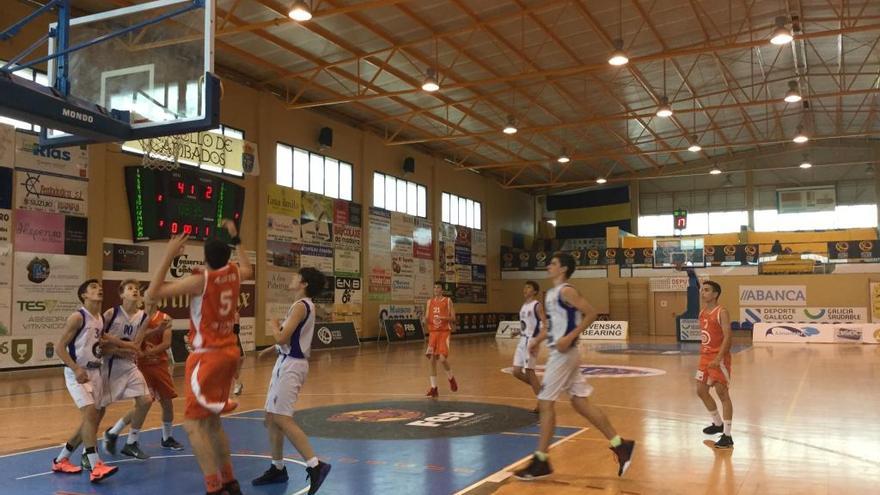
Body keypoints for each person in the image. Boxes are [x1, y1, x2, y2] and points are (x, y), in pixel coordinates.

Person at [145, 219, 253, 495]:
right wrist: (237, 238)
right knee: (213, 422)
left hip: (207, 357)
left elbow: (153, 293)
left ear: (205, 257)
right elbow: (249, 267)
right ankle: (230, 482)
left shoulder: (200, 281)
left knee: (193, 425)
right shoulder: (234, 273)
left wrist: (169, 253)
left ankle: (213, 488)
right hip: (230, 352)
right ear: (228, 256)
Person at [514, 252, 635, 481]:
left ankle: (541, 460)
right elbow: (554, 325)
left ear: (563, 269)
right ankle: (621, 445)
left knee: (545, 402)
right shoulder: (550, 294)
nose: (549, 265)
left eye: (553, 263)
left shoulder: (567, 291)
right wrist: (538, 341)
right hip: (562, 352)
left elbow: (591, 313)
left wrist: (570, 337)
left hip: (564, 355)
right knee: (580, 403)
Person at [251, 267, 332, 494]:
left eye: (297, 276)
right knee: (271, 417)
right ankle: (277, 468)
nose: (292, 278)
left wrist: (273, 324)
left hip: (292, 365)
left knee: (281, 418)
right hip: (286, 361)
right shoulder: (304, 305)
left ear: (304, 283)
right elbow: (289, 339)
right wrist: (272, 348)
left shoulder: (300, 306)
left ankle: (316, 465)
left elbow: (283, 336)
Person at [52, 279, 119, 482]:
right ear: (84, 295)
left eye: (99, 287)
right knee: (90, 413)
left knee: (92, 419)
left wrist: (123, 348)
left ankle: (62, 459)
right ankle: (95, 464)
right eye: (93, 288)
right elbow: (59, 347)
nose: (98, 289)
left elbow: (98, 344)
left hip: (95, 372)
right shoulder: (77, 317)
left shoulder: (99, 318)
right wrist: (75, 368)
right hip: (77, 373)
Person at [109, 303, 185, 451]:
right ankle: (114, 432)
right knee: (144, 403)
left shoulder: (165, 318)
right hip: (142, 366)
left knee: (167, 402)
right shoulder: (138, 318)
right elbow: (135, 339)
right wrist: (143, 350)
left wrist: (148, 353)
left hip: (160, 365)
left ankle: (167, 438)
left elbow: (167, 343)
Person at [101, 279, 153, 461]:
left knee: (146, 401)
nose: (134, 291)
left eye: (137, 289)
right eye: (130, 288)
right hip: (109, 364)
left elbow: (137, 345)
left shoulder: (144, 317)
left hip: (129, 364)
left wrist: (126, 348)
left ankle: (130, 443)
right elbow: (100, 340)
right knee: (98, 409)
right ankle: (87, 449)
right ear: (122, 294)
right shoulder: (111, 314)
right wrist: (121, 348)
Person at [695, 280, 734, 449]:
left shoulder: (722, 312)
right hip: (705, 358)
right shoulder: (702, 312)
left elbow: (728, 336)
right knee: (701, 391)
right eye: (702, 290)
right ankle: (717, 423)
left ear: (715, 294)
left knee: (722, 394)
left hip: (719, 358)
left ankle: (727, 435)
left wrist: (718, 357)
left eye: (707, 290)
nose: (703, 293)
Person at [512, 281, 546, 413]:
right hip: (522, 340)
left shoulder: (537, 305)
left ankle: (542, 402)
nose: (525, 289)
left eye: (529, 287)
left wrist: (536, 341)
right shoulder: (524, 305)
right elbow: (527, 325)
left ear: (535, 291)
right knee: (516, 372)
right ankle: (543, 392)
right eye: (525, 286)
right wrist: (518, 331)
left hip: (531, 341)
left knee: (530, 372)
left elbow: (544, 325)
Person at [423, 282, 458, 398]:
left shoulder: (447, 301)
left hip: (444, 332)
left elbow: (453, 318)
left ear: (442, 290)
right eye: (434, 287)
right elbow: (428, 317)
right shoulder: (429, 302)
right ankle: (434, 388)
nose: (436, 289)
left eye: (438, 287)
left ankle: (451, 378)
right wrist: (424, 320)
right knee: (432, 360)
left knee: (442, 359)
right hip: (433, 333)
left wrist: (443, 318)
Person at [232, 311, 244, 396]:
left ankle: (238, 384)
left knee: (234, 368)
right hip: (223, 344)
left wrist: (234, 320)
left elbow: (236, 330)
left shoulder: (235, 314)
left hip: (233, 343)